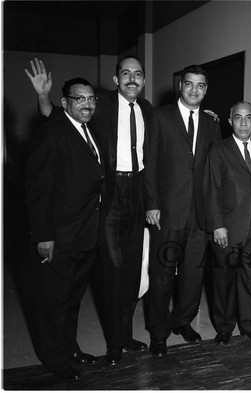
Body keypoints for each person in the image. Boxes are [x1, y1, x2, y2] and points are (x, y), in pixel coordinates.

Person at [25, 57, 154, 365]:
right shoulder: (102, 105)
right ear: (115, 79)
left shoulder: (148, 109)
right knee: (110, 273)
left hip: (135, 193)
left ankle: (123, 334)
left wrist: (212, 118)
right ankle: (110, 344)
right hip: (109, 196)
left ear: (144, 81)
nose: (132, 79)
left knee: (131, 272)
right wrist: (43, 96)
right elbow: (58, 117)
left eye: (138, 74)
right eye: (126, 73)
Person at [25, 78, 104, 380]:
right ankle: (53, 358)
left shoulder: (89, 130)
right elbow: (38, 191)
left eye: (91, 99)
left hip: (86, 234)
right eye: (79, 98)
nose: (87, 104)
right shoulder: (52, 133)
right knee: (54, 301)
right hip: (59, 237)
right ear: (65, 103)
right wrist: (43, 236)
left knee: (72, 300)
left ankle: (70, 348)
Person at [144, 65, 221, 356]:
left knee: (192, 273)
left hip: (199, 214)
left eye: (200, 86)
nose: (194, 90)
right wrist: (151, 203)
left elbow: (214, 171)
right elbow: (149, 163)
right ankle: (158, 331)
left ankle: (183, 321)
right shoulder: (159, 117)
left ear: (206, 89)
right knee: (162, 273)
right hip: (167, 210)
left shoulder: (213, 123)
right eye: (189, 84)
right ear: (180, 86)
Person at [204, 101, 251, 345]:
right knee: (223, 281)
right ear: (229, 122)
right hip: (227, 229)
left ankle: (250, 325)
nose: (243, 123)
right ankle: (224, 327)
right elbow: (211, 190)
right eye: (238, 118)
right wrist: (218, 225)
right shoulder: (218, 150)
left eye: (248, 118)